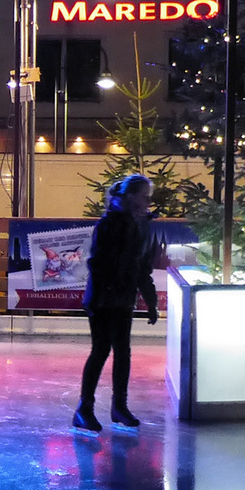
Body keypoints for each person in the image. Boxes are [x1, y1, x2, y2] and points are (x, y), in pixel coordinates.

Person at [74, 173, 158, 433]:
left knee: (123, 352)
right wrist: (106, 293)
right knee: (101, 350)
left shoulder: (140, 226)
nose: (147, 201)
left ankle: (118, 407)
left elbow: (142, 267)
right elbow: (97, 263)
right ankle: (84, 409)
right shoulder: (109, 224)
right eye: (144, 196)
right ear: (131, 197)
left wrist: (151, 301)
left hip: (122, 299)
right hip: (103, 299)